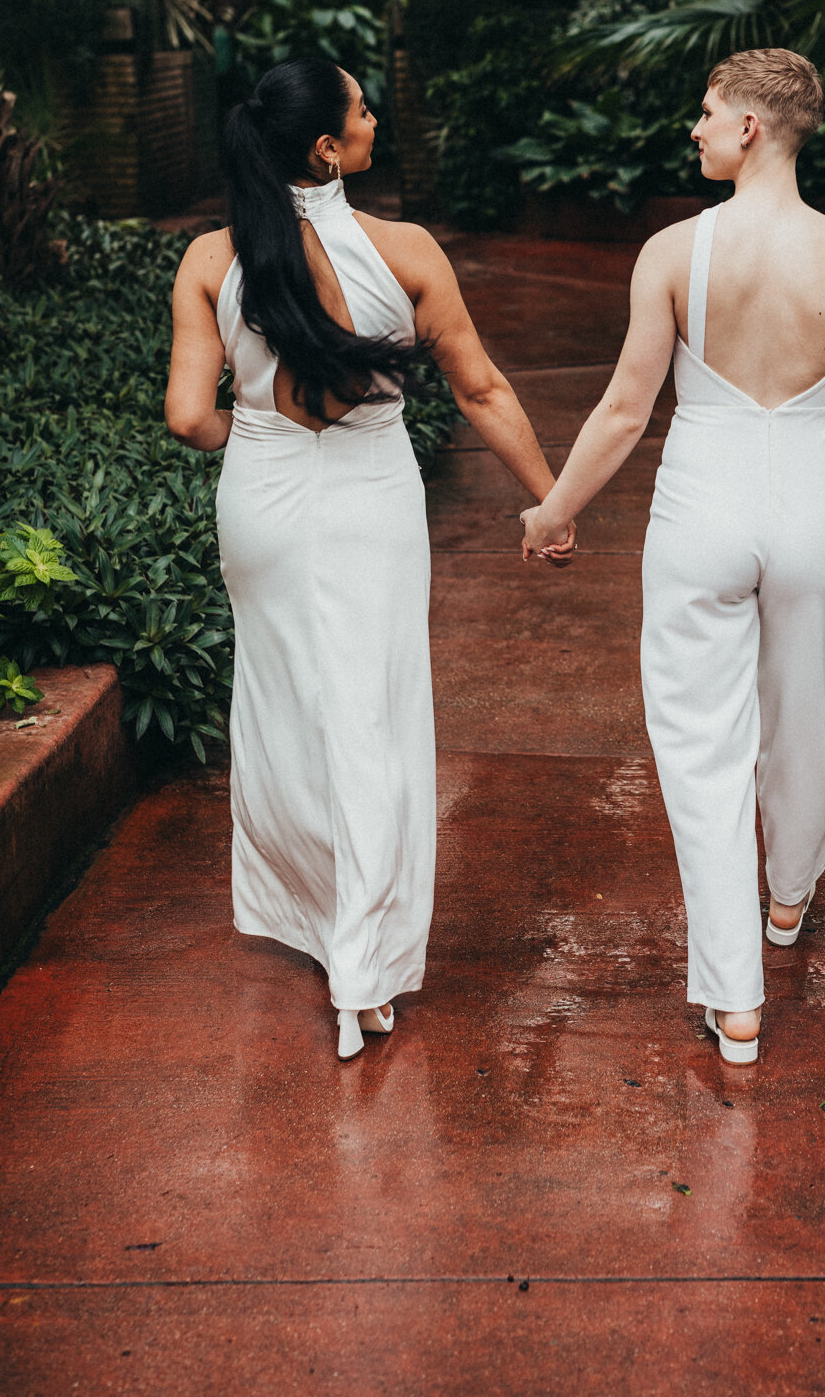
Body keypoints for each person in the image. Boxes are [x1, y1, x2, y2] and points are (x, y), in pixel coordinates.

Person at [166, 57, 573, 1062]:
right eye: (359, 107)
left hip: (257, 502)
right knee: (372, 720)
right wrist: (550, 502)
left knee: (288, 714)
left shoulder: (213, 260)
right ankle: (364, 970)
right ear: (324, 147)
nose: (374, 116)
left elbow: (186, 416)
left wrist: (259, 440)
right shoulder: (404, 250)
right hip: (368, 499)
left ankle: (320, 923)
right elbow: (480, 393)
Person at [520, 49, 825, 1063]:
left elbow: (623, 414)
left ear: (750, 129)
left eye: (706, 113)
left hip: (703, 512)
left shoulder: (673, 254)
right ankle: (790, 900)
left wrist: (553, 510)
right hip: (815, 509)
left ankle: (735, 999)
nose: (693, 130)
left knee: (701, 747)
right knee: (808, 716)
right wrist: (813, 420)